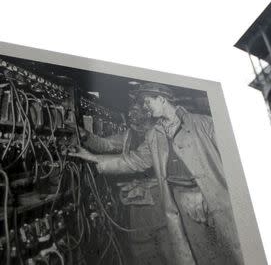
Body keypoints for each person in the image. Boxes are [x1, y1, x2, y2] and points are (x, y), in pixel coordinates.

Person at [71, 83, 244, 265]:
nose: (145, 107)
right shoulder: (154, 135)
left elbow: (234, 162)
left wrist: (202, 191)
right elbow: (136, 160)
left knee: (228, 253)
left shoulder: (203, 123)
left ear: (162, 100)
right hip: (178, 203)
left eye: (148, 102)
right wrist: (94, 159)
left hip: (213, 199)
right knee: (198, 255)